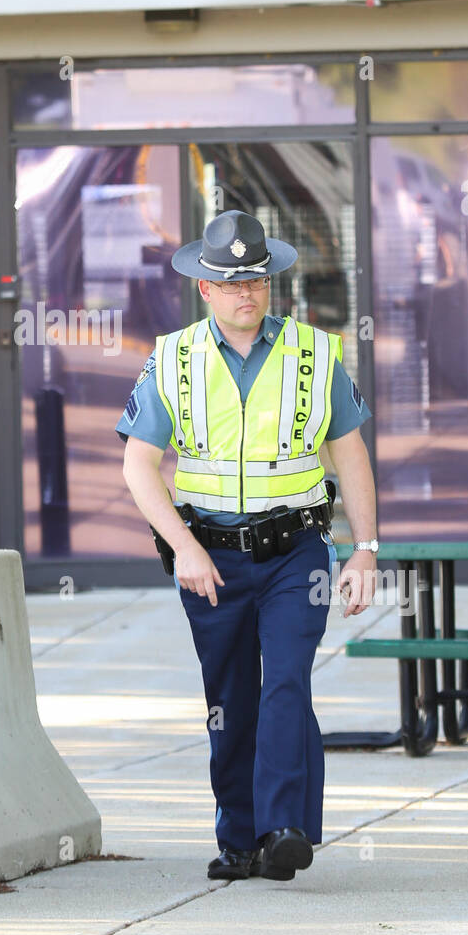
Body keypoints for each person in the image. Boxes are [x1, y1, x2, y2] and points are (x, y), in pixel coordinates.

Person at [116, 209, 378, 882]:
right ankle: (239, 840)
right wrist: (182, 547)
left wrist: (365, 549)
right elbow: (139, 467)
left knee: (287, 681)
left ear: (271, 285)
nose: (246, 294)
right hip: (210, 558)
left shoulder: (317, 354)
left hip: (296, 552)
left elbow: (350, 457)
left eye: (256, 281)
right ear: (205, 288)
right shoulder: (172, 358)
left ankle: (284, 828)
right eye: (231, 283)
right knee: (229, 699)